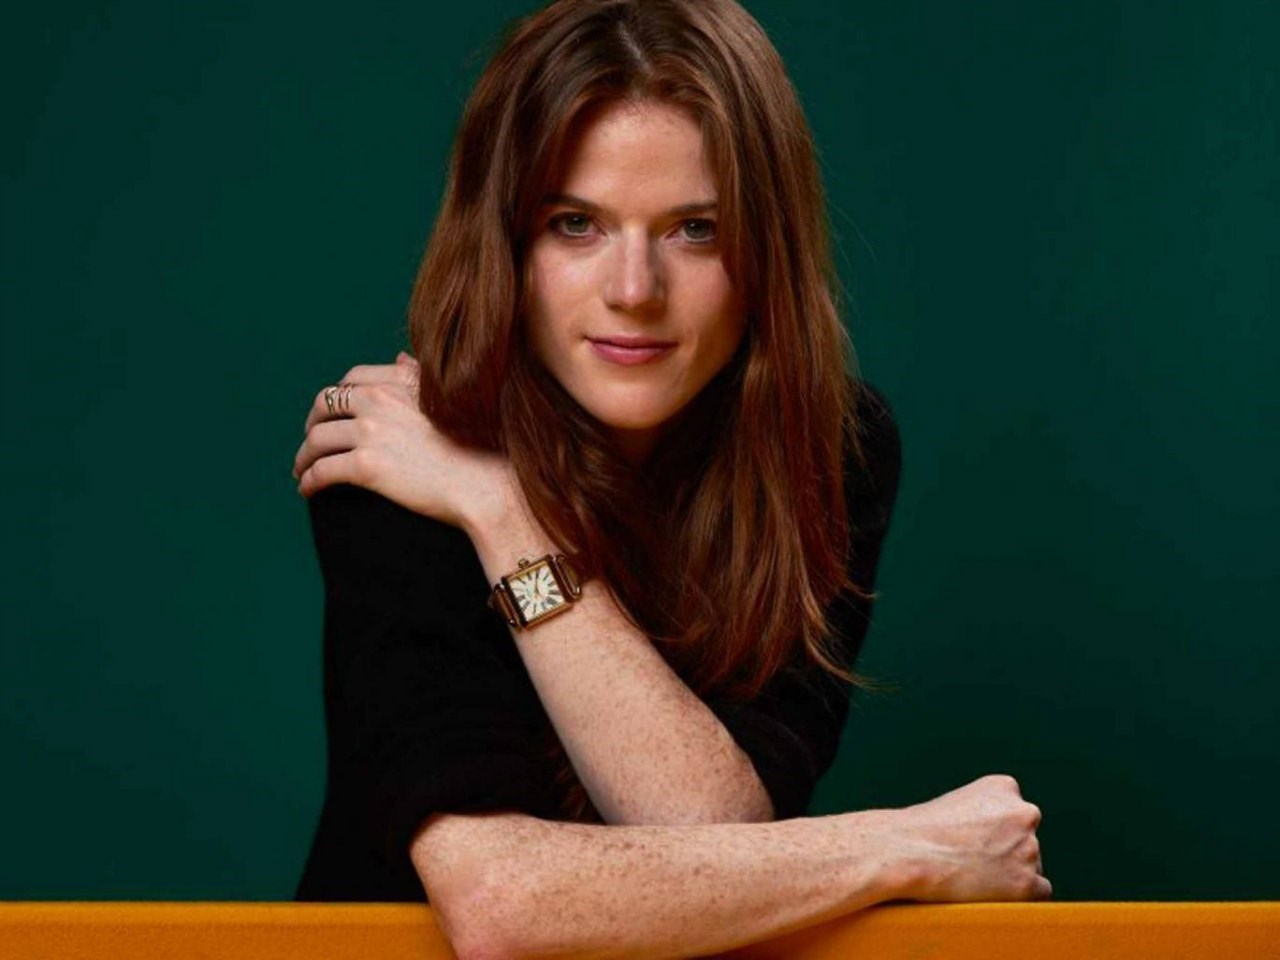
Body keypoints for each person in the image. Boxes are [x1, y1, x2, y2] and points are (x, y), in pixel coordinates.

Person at [290, 0, 1049, 955]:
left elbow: (704, 826)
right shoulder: (409, 455)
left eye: (695, 229)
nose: (634, 291)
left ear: (765, 249)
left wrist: (503, 518)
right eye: (575, 224)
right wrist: (907, 846)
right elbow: (502, 904)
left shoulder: (831, 449)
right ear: (507, 245)